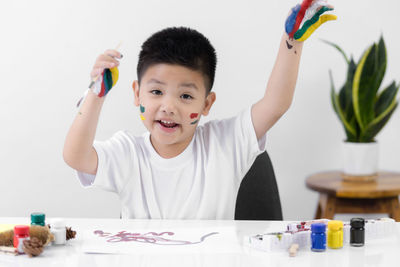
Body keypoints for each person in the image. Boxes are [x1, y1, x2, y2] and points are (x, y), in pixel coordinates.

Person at [63, 1, 335, 219]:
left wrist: (292, 41)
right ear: (137, 93)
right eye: (156, 92)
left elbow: (276, 104)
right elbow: (76, 156)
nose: (168, 107)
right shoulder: (127, 152)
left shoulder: (226, 143)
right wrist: (96, 94)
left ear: (206, 104)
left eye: (185, 95)